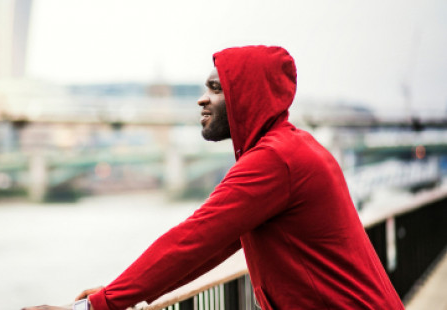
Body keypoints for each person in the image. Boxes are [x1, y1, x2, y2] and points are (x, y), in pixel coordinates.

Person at [23, 45, 404, 310]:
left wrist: (97, 306)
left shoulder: (274, 159)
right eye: (205, 87)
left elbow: (192, 239)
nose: (202, 99)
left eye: (217, 89)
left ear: (248, 97)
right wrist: (112, 295)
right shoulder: (293, 147)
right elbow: (216, 243)